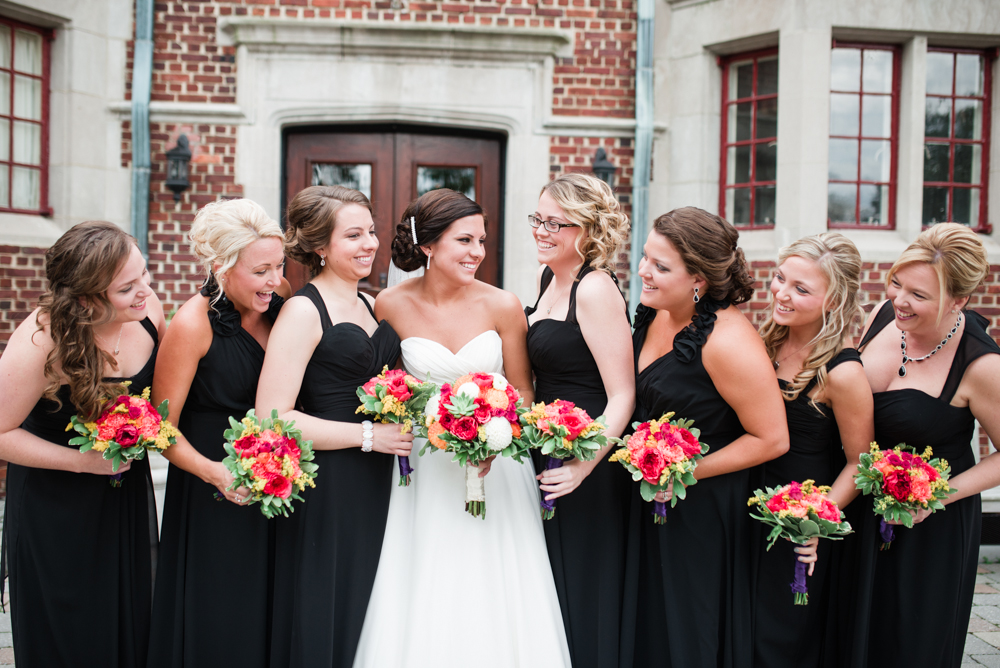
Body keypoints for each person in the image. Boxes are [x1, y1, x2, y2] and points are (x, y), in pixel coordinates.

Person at [353, 188, 571, 667]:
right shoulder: (388, 304)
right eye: (464, 240)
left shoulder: (503, 305)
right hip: (424, 469)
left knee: (495, 582)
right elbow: (389, 388)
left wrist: (497, 434)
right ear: (428, 245)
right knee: (428, 576)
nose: (478, 252)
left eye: (482, 240)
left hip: (496, 466)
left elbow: (523, 391)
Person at [621, 207, 788, 668]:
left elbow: (771, 438)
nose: (643, 272)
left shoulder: (729, 342)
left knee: (689, 628)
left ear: (698, 278)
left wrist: (683, 472)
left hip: (700, 509)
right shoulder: (655, 313)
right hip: (649, 496)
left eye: (660, 266)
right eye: (645, 257)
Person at [256, 185, 411, 668]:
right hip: (331, 482)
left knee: (370, 603)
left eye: (370, 231)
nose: (369, 243)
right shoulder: (304, 310)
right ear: (320, 246)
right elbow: (272, 417)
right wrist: (369, 437)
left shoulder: (371, 304)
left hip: (380, 478)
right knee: (330, 599)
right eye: (353, 235)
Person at [0, 221, 165, 667]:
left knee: (128, 621)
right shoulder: (41, 338)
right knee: (68, 632)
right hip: (53, 503)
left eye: (144, 276)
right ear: (88, 299)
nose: (144, 292)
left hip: (121, 497)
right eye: (126, 287)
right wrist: (82, 463)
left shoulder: (150, 316)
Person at [147, 198, 290, 667]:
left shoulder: (280, 302)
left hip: (279, 484)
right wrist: (214, 474)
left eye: (280, 266)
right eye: (261, 270)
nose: (275, 280)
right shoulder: (193, 324)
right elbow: (160, 428)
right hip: (214, 488)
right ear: (220, 266)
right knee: (221, 610)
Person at [857, 223, 1000, 668]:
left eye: (919, 295)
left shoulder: (981, 364)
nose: (900, 300)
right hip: (864, 508)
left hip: (930, 528)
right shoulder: (884, 315)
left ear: (958, 300)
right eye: (897, 283)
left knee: (908, 644)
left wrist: (936, 496)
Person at [524, 173, 635, 667]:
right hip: (545, 452)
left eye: (555, 223)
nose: (542, 232)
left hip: (585, 463)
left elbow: (623, 395)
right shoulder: (551, 277)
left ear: (588, 229)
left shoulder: (594, 289)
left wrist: (584, 465)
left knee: (583, 587)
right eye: (538, 219)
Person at [751, 233, 873, 667]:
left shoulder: (843, 372)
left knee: (781, 635)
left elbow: (860, 462)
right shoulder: (761, 342)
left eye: (801, 289)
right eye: (781, 279)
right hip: (745, 503)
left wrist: (816, 521)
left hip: (796, 519)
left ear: (834, 301)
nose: (781, 294)